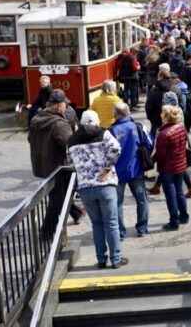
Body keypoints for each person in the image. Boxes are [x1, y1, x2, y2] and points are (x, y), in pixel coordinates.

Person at [67, 110, 126, 268]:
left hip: (86, 188)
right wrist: (107, 167)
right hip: (106, 185)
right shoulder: (104, 134)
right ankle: (116, 259)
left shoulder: (71, 140)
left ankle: (101, 259)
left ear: (81, 122)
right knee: (111, 223)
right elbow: (116, 149)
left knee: (97, 224)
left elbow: (70, 163)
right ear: (96, 121)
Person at [28, 89, 83, 238]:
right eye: (65, 104)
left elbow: (29, 139)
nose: (66, 106)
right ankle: (47, 230)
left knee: (60, 195)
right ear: (59, 107)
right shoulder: (60, 124)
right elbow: (71, 144)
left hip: (43, 165)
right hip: (59, 167)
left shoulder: (36, 119)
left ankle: (76, 212)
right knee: (57, 200)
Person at [109, 103, 152, 239]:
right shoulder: (138, 127)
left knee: (117, 203)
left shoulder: (111, 131)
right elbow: (149, 144)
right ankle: (142, 228)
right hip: (136, 169)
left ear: (116, 114)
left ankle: (120, 232)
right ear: (128, 112)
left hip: (118, 172)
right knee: (141, 199)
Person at [152, 105, 189, 231]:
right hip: (180, 164)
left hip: (167, 168)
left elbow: (160, 154)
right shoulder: (181, 127)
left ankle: (174, 221)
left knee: (171, 195)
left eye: (162, 113)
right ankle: (183, 216)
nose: (160, 114)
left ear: (166, 116)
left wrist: (153, 159)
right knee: (179, 190)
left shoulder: (164, 133)